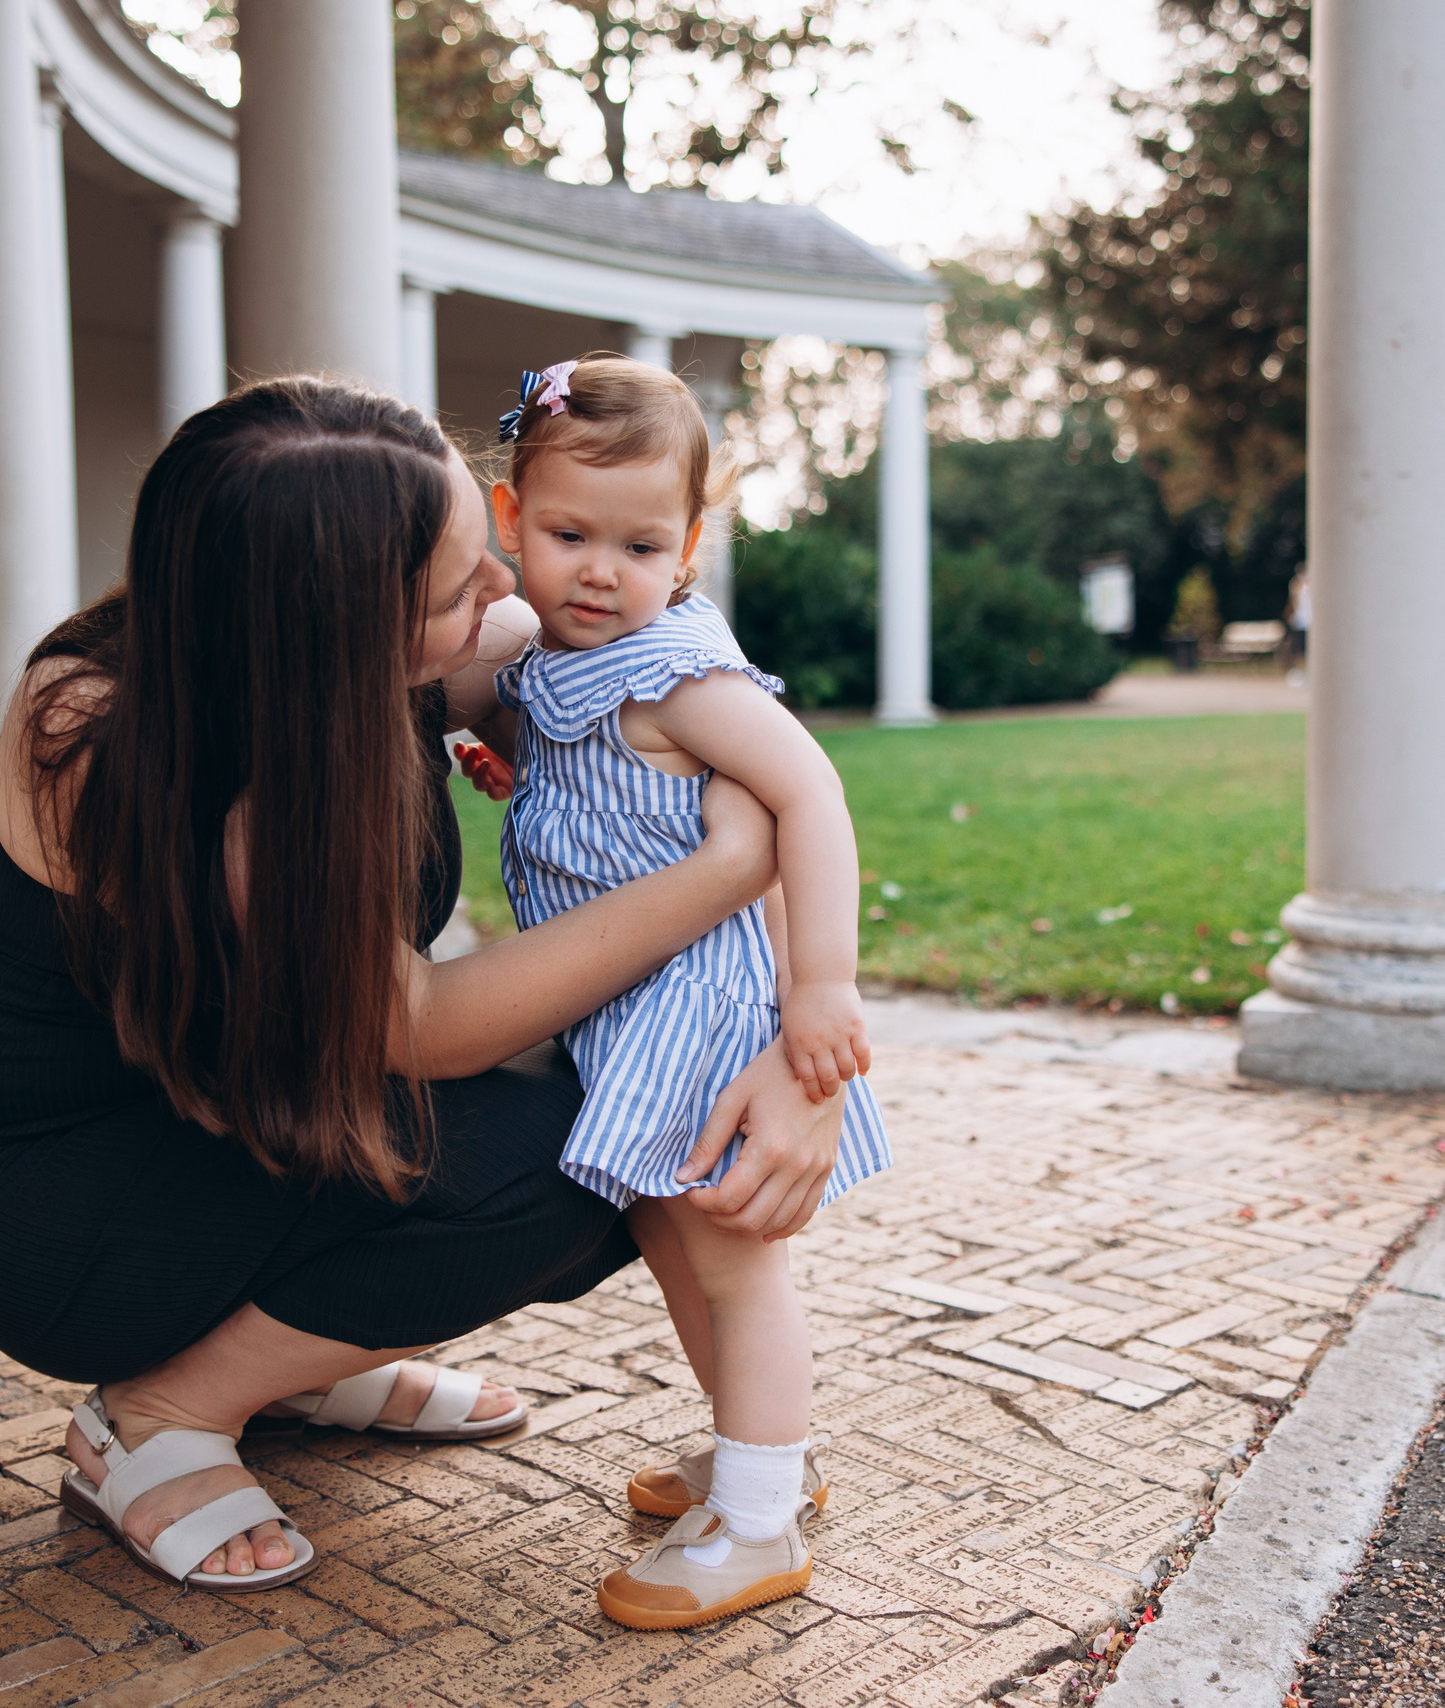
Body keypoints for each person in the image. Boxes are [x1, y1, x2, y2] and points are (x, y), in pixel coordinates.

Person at [0, 378, 843, 1594]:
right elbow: (422, 1028)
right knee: (582, 1149)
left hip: (243, 1111)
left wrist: (792, 1047)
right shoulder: (101, 734)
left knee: (632, 1105)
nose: (506, 594)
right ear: (332, 628)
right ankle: (162, 1406)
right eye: (460, 588)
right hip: (56, 1196)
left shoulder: (355, 659)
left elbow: (712, 728)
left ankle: (287, 1355)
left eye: (484, 549)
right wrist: (723, 869)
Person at [458, 356, 890, 1629]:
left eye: (641, 544)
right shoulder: (554, 658)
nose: (601, 570)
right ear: (508, 523)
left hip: (701, 1004)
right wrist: (508, 757)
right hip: (631, 999)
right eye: (568, 534)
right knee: (671, 1239)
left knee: (733, 1257)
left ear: (690, 545)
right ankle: (764, 1454)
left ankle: (757, 1524)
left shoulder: (684, 671)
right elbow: (586, 759)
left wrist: (821, 985)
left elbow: (812, 794)